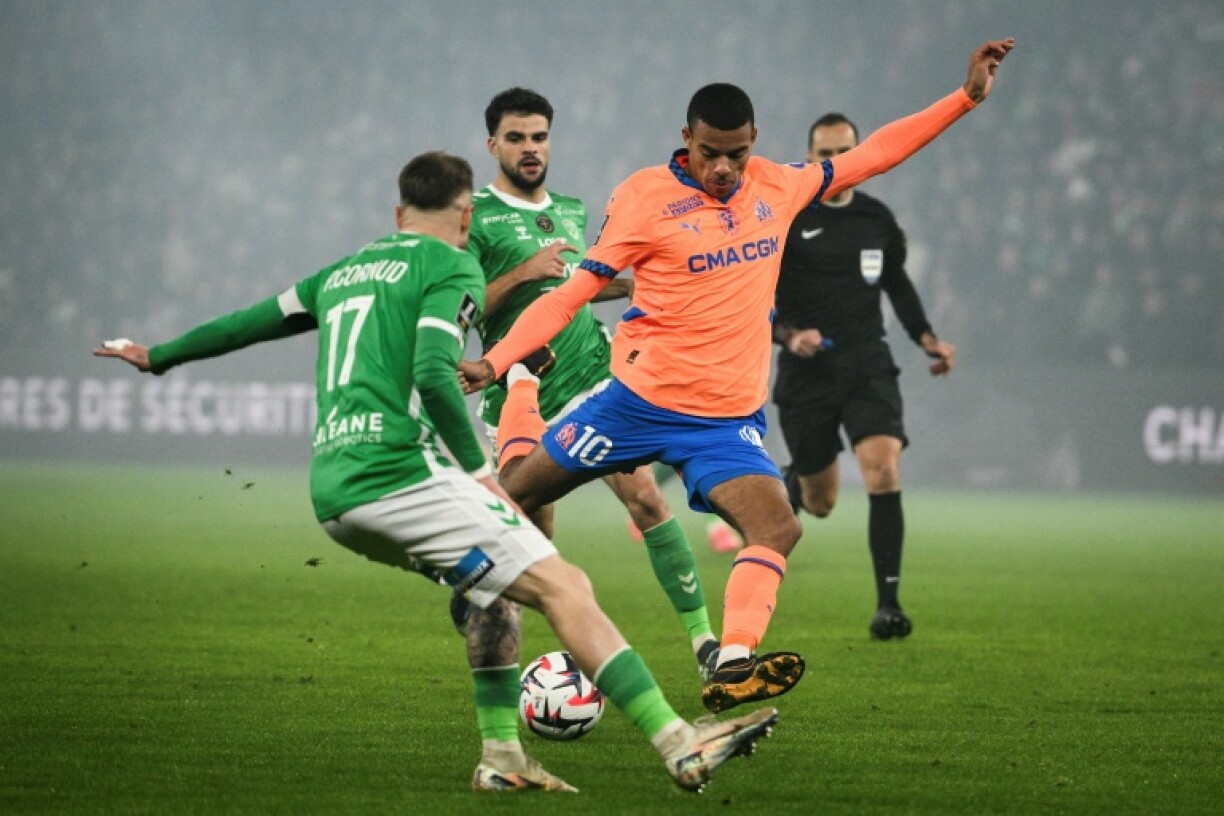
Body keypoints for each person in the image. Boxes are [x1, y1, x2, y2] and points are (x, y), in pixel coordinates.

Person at [93, 151, 779, 795]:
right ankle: (679, 742)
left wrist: (161, 356)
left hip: (332, 487)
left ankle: (503, 756)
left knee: (496, 592)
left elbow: (252, 322)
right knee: (566, 584)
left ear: (398, 215)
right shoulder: (453, 268)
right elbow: (431, 371)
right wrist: (482, 476)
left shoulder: (344, 270)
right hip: (401, 474)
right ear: (466, 218)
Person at [459, 39, 1015, 715]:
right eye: (709, 153)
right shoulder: (643, 199)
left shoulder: (780, 186)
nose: (723, 168)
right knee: (512, 502)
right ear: (685, 139)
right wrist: (494, 361)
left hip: (724, 422)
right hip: (634, 404)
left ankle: (731, 664)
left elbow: (877, 154)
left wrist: (966, 98)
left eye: (737, 154)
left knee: (779, 528)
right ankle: (471, 579)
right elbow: (568, 295)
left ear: (756, 141)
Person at [458, 88, 721, 678]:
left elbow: (576, 285)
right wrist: (524, 271)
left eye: (540, 137)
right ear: (493, 144)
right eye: (518, 138)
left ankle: (705, 643)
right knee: (532, 542)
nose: (531, 149)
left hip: (590, 380)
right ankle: (526, 668)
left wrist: (628, 286)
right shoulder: (476, 217)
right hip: (519, 391)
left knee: (648, 498)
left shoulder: (574, 208)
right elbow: (464, 303)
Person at [773, 112, 958, 641]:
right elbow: (754, 298)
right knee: (821, 502)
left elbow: (896, 285)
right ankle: (791, 484)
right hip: (806, 372)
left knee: (883, 469)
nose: (837, 163)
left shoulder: (877, 219)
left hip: (866, 363)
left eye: (846, 151)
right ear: (809, 160)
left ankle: (889, 606)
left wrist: (927, 338)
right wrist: (789, 336)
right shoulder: (787, 218)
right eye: (826, 154)